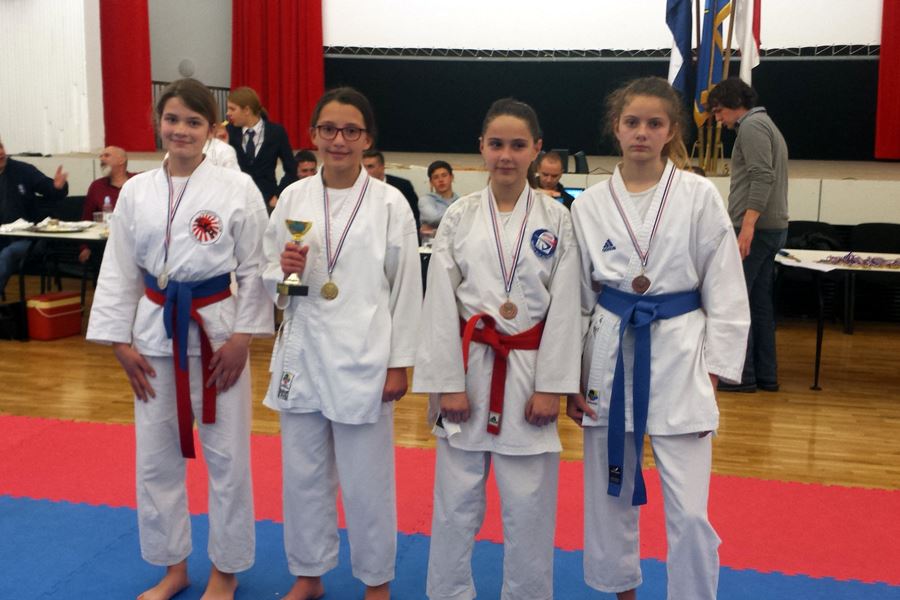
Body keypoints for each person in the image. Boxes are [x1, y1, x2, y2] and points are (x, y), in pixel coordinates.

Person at [86, 78, 272, 600]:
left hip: (217, 336)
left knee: (227, 459)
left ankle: (226, 570)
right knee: (156, 458)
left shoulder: (237, 189)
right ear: (158, 123)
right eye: (172, 119)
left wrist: (243, 338)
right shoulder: (137, 190)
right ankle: (174, 567)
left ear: (212, 129)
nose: (181, 130)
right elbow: (119, 267)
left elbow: (255, 269)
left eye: (193, 121)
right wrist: (119, 342)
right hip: (153, 335)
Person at [567, 76, 750, 600]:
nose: (642, 132)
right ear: (616, 128)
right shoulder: (589, 204)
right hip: (608, 350)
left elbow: (725, 285)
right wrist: (570, 375)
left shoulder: (698, 196)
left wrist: (715, 370)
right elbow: (577, 298)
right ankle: (620, 591)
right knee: (610, 497)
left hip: (681, 351)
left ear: (671, 131)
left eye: (654, 123)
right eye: (632, 122)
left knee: (690, 511)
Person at [413, 98, 581, 600]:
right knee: (455, 504)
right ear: (481, 148)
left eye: (518, 145)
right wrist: (447, 384)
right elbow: (439, 303)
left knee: (529, 509)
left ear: (536, 150)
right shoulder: (459, 216)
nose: (506, 155)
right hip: (469, 368)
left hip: (529, 372)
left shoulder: (558, 219)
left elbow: (566, 307)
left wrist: (552, 388)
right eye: (496, 144)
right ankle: (448, 593)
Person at [262, 87, 421, 600]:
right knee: (303, 475)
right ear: (313, 135)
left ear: (367, 139)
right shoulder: (293, 197)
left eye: (351, 130)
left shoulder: (390, 203)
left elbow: (405, 288)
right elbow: (269, 272)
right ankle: (309, 575)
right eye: (329, 129)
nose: (339, 140)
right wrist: (283, 273)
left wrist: (399, 364)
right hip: (303, 350)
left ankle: (376, 583)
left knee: (367, 480)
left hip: (363, 355)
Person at [708, 76, 789, 393]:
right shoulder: (765, 123)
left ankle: (740, 376)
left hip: (755, 229)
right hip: (772, 227)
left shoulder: (752, 127)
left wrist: (748, 226)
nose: (718, 119)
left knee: (736, 302)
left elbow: (762, 176)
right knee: (758, 304)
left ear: (734, 104)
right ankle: (765, 375)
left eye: (718, 110)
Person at [0, 136, 68, 296]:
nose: (1, 152)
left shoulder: (23, 170)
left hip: (30, 239)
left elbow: (50, 189)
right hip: (2, 238)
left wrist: (58, 187)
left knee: (7, 254)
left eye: (1, 147)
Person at [226, 86, 297, 211]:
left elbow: (291, 168)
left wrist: (278, 195)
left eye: (232, 109)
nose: (228, 113)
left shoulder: (276, 132)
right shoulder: (228, 132)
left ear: (247, 110)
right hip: (237, 201)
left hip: (267, 202)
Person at [79, 146, 135, 263]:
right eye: (101, 156)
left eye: (107, 155)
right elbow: (86, 219)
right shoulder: (97, 186)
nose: (101, 159)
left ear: (121, 160)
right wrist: (85, 248)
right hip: (105, 244)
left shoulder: (137, 182)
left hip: (135, 242)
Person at [362, 149, 421, 231]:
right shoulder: (356, 187)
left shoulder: (403, 186)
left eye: (370, 167)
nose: (365, 171)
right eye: (362, 167)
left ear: (382, 167)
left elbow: (414, 216)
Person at [417, 160, 459, 237]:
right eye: (436, 177)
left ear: (452, 177)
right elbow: (433, 218)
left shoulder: (460, 201)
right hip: (431, 243)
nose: (441, 180)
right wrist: (459, 216)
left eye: (444, 175)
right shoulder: (425, 200)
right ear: (431, 182)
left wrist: (435, 230)